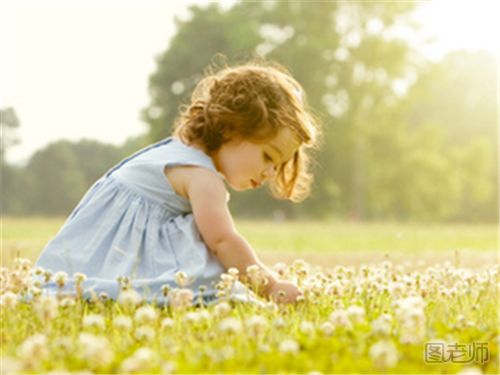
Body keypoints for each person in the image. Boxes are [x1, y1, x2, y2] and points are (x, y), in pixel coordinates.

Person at [34, 60, 320, 306]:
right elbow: (222, 241)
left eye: (277, 165)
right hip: (123, 254)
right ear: (232, 127)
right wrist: (269, 286)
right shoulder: (202, 177)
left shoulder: (178, 151)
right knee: (205, 274)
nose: (270, 172)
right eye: (267, 156)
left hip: (90, 256)